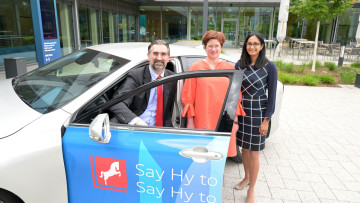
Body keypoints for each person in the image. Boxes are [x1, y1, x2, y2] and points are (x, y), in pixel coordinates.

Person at [181, 30, 245, 156]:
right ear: (205, 47)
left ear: (221, 47)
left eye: (217, 46)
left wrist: (236, 121)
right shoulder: (196, 67)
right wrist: (190, 121)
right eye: (210, 46)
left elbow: (235, 97)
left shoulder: (229, 68)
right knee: (203, 155)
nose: (213, 49)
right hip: (202, 119)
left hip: (225, 119)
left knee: (220, 156)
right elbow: (188, 96)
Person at [234, 33, 277, 203]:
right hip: (243, 112)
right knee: (244, 149)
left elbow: (272, 95)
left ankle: (252, 189)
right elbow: (234, 90)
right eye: (249, 43)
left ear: (261, 46)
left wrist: (267, 119)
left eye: (256, 44)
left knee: (254, 153)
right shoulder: (239, 65)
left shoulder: (269, 66)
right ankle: (246, 178)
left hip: (259, 113)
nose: (252, 47)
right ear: (245, 46)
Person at [109, 40, 176, 127]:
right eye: (155, 53)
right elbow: (117, 103)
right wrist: (137, 121)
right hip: (136, 127)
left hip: (162, 130)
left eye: (163, 54)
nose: (159, 58)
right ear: (148, 56)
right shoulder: (136, 76)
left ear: (168, 57)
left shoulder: (173, 78)